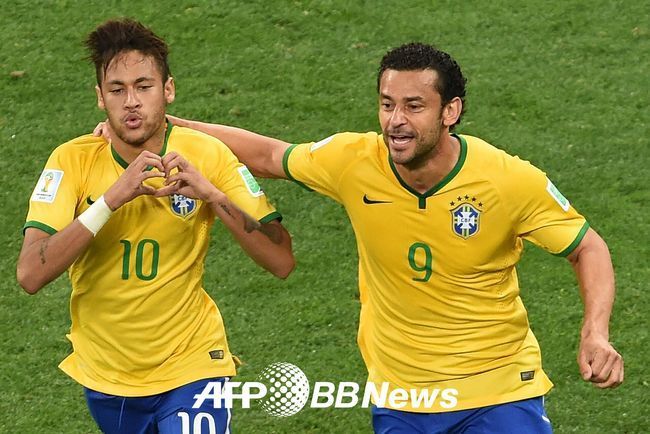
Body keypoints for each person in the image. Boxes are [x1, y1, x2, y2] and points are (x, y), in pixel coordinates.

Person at [155, 42, 624, 433]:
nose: (396, 120)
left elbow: (587, 246)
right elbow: (270, 156)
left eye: (414, 106)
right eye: (387, 104)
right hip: (402, 400)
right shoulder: (355, 161)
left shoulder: (506, 179)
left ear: (451, 111)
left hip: (497, 391)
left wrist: (595, 334)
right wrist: (167, 127)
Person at [17, 18, 294, 434]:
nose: (131, 102)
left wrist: (214, 196)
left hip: (193, 363)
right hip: (108, 374)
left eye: (143, 86)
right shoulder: (71, 160)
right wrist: (111, 200)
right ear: (100, 97)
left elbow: (281, 259)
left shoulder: (209, 155)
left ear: (168, 90)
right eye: (117, 90)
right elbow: (30, 273)